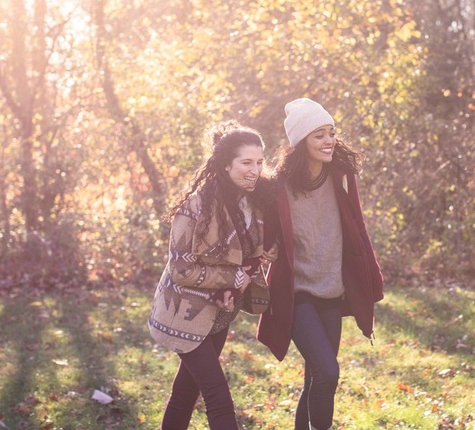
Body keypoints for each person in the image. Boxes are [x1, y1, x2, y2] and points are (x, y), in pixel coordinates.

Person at [257, 98, 384, 430]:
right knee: (328, 371)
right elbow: (264, 231)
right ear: (301, 142)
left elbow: (357, 227)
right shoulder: (278, 186)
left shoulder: (342, 177)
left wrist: (369, 279)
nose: (329, 141)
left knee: (316, 376)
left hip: (332, 291)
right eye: (319, 135)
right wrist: (267, 247)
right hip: (297, 293)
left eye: (331, 133)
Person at [148, 121, 275, 430]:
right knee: (218, 396)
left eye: (259, 162)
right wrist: (231, 278)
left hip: (218, 315)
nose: (255, 169)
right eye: (246, 162)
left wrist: (267, 255)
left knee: (185, 392)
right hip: (182, 314)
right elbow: (182, 270)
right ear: (226, 164)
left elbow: (251, 251)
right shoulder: (195, 207)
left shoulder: (252, 202)